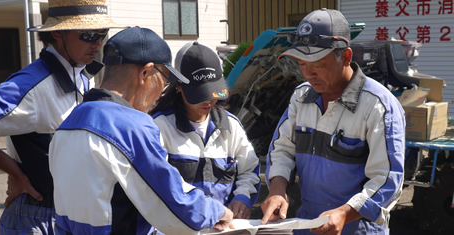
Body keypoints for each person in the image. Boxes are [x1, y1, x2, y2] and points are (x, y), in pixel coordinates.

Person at [49, 26, 234, 235]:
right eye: (164, 80)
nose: (160, 93)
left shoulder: (68, 124)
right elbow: (176, 206)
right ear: (145, 73)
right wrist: (219, 211)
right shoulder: (131, 126)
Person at [0, 0, 121, 234]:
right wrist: (15, 173)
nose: (98, 43)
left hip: (68, 215)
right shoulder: (32, 86)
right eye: (89, 34)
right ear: (59, 33)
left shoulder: (82, 76)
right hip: (37, 217)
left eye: (103, 33)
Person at [260, 8, 405, 234]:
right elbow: (282, 148)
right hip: (308, 224)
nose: (308, 74)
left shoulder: (378, 105)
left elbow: (387, 180)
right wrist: (277, 189)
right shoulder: (301, 97)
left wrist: (344, 213)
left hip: (357, 227)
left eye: (316, 64)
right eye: (302, 64)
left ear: (345, 57)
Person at [150, 41, 261, 221]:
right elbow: (158, 187)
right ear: (178, 86)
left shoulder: (231, 126)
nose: (208, 101)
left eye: (212, 93)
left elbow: (249, 171)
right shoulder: (159, 128)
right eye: (199, 94)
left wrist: (242, 198)